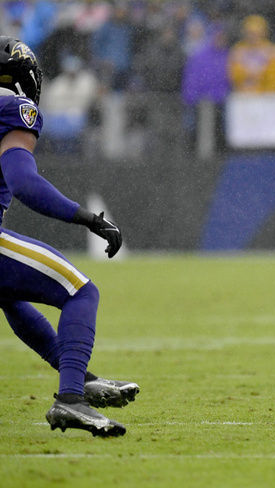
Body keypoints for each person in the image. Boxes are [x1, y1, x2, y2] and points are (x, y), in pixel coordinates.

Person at [0, 37, 138, 437]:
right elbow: (23, 182)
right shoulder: (14, 109)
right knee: (81, 291)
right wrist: (88, 219)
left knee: (9, 295)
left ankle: (78, 377)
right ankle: (71, 398)